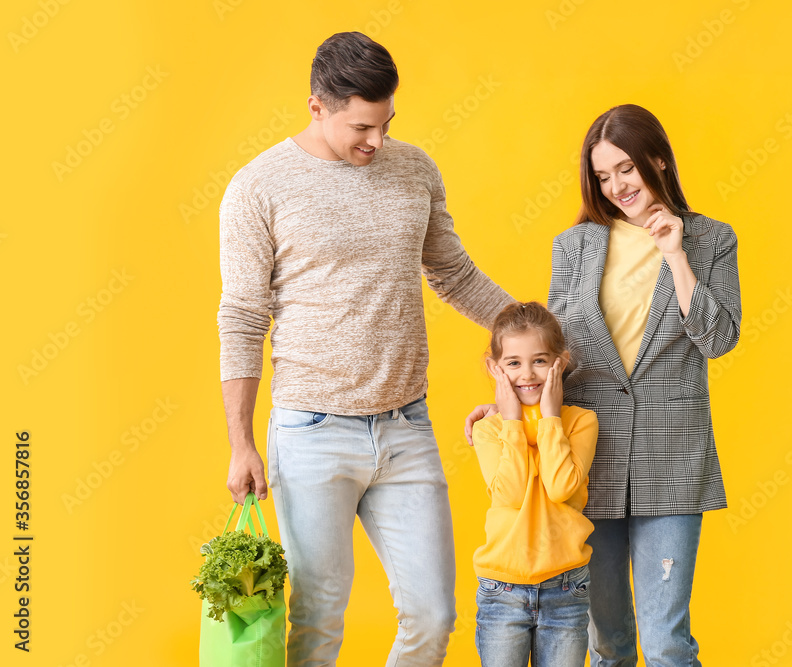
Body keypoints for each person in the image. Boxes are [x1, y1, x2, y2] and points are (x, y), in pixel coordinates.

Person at [218, 32, 513, 666]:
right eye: (360, 127)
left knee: (434, 616)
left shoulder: (415, 169)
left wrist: (532, 331)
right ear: (316, 106)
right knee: (318, 620)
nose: (375, 142)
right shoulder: (258, 187)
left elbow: (453, 273)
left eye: (385, 124)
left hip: (406, 425)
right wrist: (241, 441)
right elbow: (242, 318)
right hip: (311, 430)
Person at [466, 104, 741, 666]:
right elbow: (554, 349)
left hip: (673, 458)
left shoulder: (711, 240)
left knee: (666, 642)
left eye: (625, 169)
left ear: (657, 160)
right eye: (602, 175)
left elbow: (718, 339)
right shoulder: (576, 246)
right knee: (608, 642)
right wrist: (510, 401)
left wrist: (676, 255)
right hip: (589, 460)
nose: (615, 186)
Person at [471, 301, 598, 667]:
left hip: (566, 588)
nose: (527, 374)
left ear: (561, 362)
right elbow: (509, 495)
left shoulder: (579, 423)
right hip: (502, 591)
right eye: (513, 363)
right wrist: (512, 423)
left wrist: (550, 418)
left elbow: (561, 488)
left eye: (540, 361)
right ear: (495, 369)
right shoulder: (489, 429)